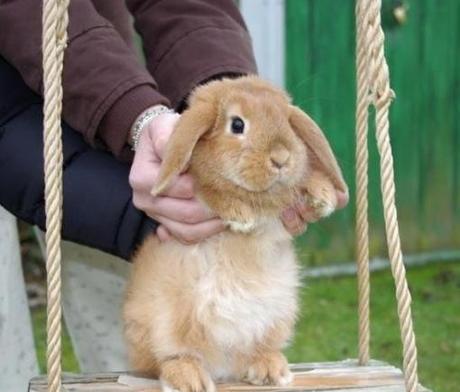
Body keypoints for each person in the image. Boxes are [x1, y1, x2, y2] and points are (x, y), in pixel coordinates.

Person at [0, 0, 347, 259]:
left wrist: (222, 94)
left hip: (97, 84)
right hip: (42, 102)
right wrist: (133, 115)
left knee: (138, 313)